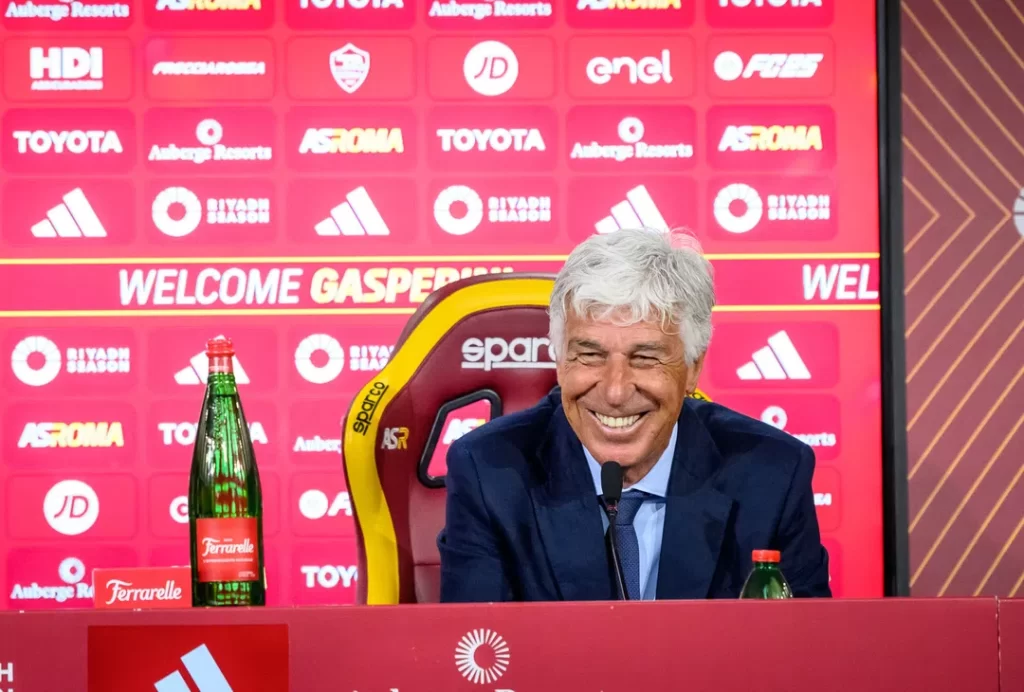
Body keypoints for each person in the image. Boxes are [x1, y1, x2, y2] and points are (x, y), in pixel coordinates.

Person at [437, 227, 831, 601]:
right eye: (589, 355)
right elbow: (480, 644)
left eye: (645, 358)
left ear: (692, 367)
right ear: (560, 361)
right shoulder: (490, 473)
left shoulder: (771, 475)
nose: (615, 391)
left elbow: (806, 643)